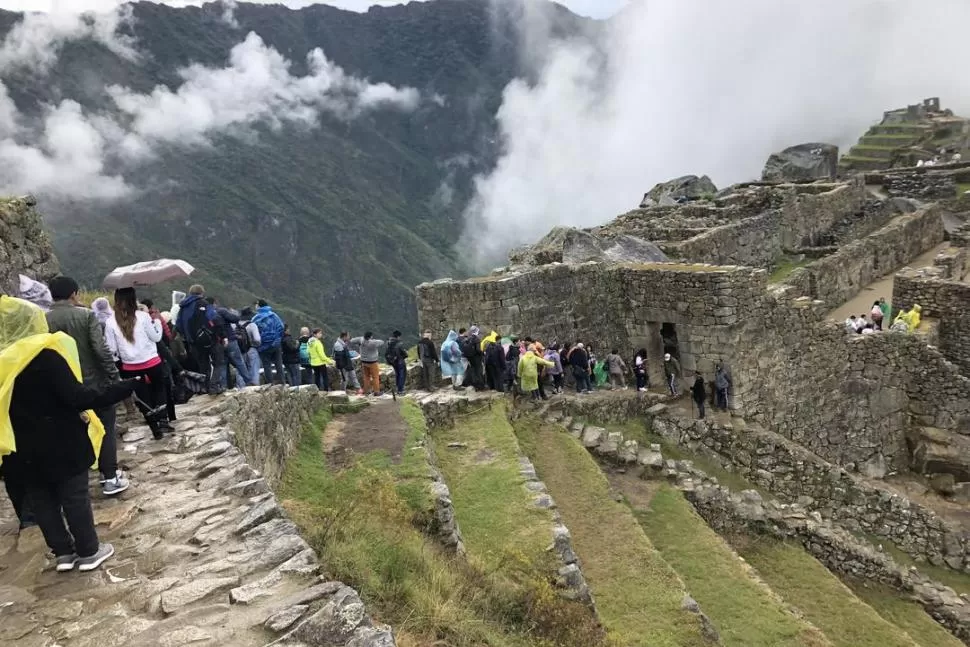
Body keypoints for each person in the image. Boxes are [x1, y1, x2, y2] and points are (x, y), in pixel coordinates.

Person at [1, 295, 138, 572]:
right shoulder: (45, 355)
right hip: (60, 440)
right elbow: (76, 396)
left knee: (41, 499)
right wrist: (122, 388)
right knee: (73, 495)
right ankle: (89, 551)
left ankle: (63, 553)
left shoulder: (3, 362)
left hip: (20, 446)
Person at [45, 277, 129, 496]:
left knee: (70, 430)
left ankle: (73, 484)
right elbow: (100, 351)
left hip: (61, 386)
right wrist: (114, 377)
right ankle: (109, 478)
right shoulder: (86, 316)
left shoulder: (43, 319)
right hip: (94, 383)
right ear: (74, 293)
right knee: (106, 428)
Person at [104, 288, 169, 439]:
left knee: (143, 397)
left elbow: (111, 349)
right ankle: (163, 420)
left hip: (130, 367)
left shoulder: (110, 321)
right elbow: (156, 338)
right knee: (159, 389)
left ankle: (155, 430)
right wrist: (158, 323)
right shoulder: (143, 316)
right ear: (134, 299)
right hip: (152, 361)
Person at [176, 285, 217, 393]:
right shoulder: (203, 303)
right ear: (201, 293)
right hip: (204, 339)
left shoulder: (183, 306)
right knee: (211, 364)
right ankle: (210, 387)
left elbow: (178, 325)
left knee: (200, 364)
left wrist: (186, 335)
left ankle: (202, 388)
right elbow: (212, 317)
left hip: (191, 341)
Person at [211, 298, 251, 390]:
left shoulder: (206, 315)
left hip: (218, 343)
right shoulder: (221, 311)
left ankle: (224, 387)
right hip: (230, 340)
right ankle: (248, 381)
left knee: (222, 365)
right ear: (214, 303)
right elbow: (235, 319)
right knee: (239, 362)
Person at [253, 300, 285, 385]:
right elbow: (281, 327)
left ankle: (270, 384)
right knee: (278, 363)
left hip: (264, 346)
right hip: (276, 344)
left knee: (267, 365)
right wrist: (277, 339)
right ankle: (282, 382)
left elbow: (254, 332)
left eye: (256, 305)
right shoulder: (274, 316)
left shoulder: (256, 318)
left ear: (259, 306)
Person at [350, 332, 385, 396]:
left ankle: (366, 391)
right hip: (372, 362)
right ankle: (376, 391)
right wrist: (373, 340)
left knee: (366, 377)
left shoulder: (361, 340)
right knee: (375, 377)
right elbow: (382, 342)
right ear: (370, 337)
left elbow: (352, 340)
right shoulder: (373, 343)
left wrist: (360, 339)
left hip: (364, 361)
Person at [238, 307, 262, 386]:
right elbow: (257, 339)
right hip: (251, 349)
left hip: (239, 351)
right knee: (254, 369)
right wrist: (257, 345)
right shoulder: (252, 325)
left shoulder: (235, 325)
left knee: (241, 370)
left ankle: (241, 389)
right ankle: (254, 388)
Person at [460, 325, 485, 390]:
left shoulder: (469, 338)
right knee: (479, 371)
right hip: (476, 358)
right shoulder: (477, 339)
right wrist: (483, 353)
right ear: (477, 331)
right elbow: (478, 350)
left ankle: (475, 385)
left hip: (470, 358)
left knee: (473, 371)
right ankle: (481, 386)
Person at [385, 330, 409, 395]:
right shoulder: (398, 343)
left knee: (397, 374)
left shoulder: (388, 342)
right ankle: (400, 390)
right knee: (402, 375)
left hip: (393, 361)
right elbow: (403, 353)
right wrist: (406, 353)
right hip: (400, 361)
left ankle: (398, 389)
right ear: (398, 336)